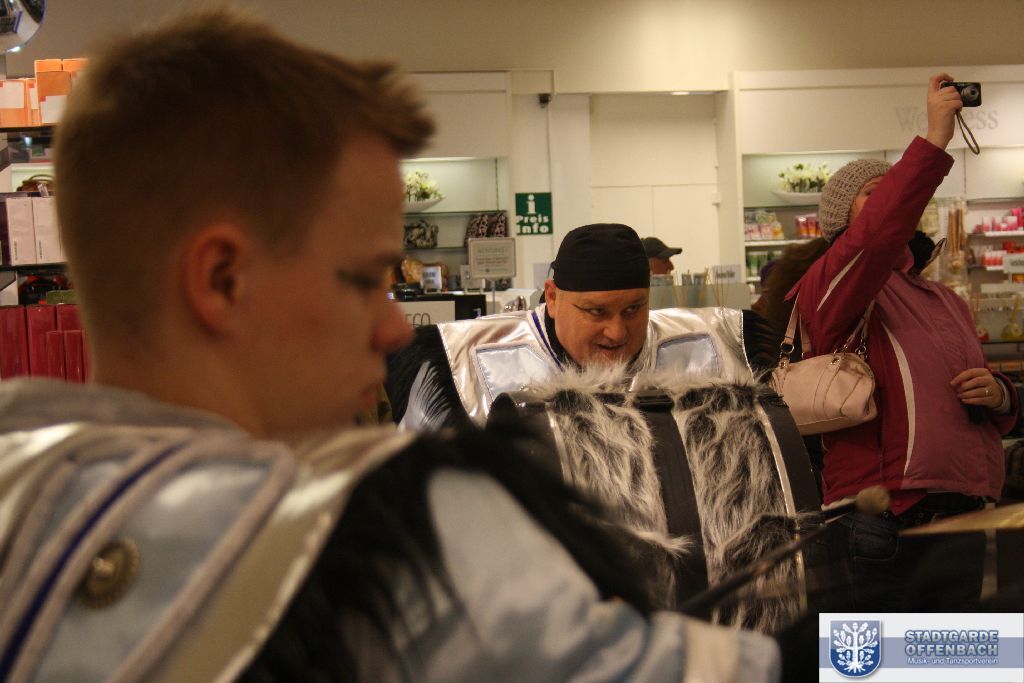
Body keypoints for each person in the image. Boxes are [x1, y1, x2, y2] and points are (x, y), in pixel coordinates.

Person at [0, 10, 782, 682]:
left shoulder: (20, 497)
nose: (391, 330)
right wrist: (868, 642)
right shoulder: (396, 541)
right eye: (363, 279)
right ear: (223, 280)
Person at [790, 73, 1019, 610]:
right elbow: (874, 239)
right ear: (844, 220)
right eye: (877, 194)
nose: (896, 202)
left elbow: (974, 396)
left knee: (958, 652)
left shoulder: (942, 298)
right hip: (880, 516)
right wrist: (935, 139)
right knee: (869, 655)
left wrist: (1000, 395)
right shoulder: (835, 286)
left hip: (961, 514)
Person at [388, 223, 757, 428]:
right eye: (596, 312)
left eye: (633, 309)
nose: (617, 332)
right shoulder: (462, 363)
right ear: (552, 297)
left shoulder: (713, 343)